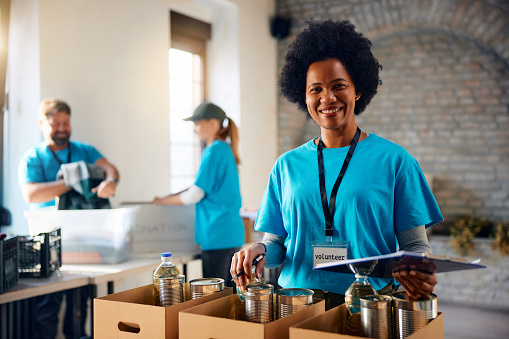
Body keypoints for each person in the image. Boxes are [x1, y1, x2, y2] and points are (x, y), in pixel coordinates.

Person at [230, 20, 444, 310]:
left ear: (357, 90)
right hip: (296, 304)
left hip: (370, 305)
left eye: (338, 86)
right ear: (304, 97)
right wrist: (259, 249)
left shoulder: (395, 161)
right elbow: (277, 244)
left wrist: (421, 270)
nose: (327, 98)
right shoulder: (286, 166)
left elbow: (415, 245)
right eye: (315, 89)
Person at [18, 99, 120, 339]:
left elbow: (110, 169)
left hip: (84, 241)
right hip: (46, 244)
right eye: (56, 123)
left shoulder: (85, 151)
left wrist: (110, 182)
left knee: (79, 306)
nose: (62, 128)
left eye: (66, 122)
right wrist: (75, 182)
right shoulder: (32, 158)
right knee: (47, 308)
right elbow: (31, 193)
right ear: (42, 124)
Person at [153, 102, 245, 288]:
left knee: (216, 298)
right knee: (232, 295)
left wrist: (164, 201)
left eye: (197, 124)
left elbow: (194, 195)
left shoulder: (213, 151)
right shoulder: (224, 150)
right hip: (231, 234)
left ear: (212, 123)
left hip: (216, 236)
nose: (195, 130)